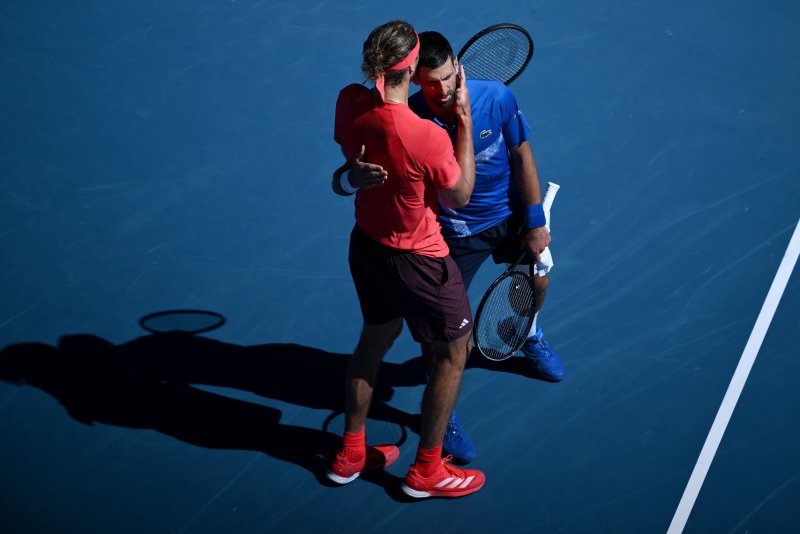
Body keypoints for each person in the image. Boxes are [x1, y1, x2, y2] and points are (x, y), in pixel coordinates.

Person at [338, 31, 565, 465]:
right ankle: (442, 413)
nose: (440, 90)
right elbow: (454, 193)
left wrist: (534, 220)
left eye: (446, 78)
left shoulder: (497, 97)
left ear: (459, 65)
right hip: (456, 234)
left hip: (508, 214)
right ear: (414, 80)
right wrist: (350, 177)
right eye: (429, 82)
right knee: (442, 338)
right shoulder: (415, 117)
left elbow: (522, 155)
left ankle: (529, 334)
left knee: (538, 277)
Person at [327, 20, 485, 499]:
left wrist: (351, 179)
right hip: (419, 260)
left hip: (367, 246)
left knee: (374, 338)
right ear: (413, 67)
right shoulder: (424, 136)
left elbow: (345, 173)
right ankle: (427, 471)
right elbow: (459, 194)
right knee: (454, 354)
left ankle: (350, 452)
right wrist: (464, 124)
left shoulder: (349, 102)